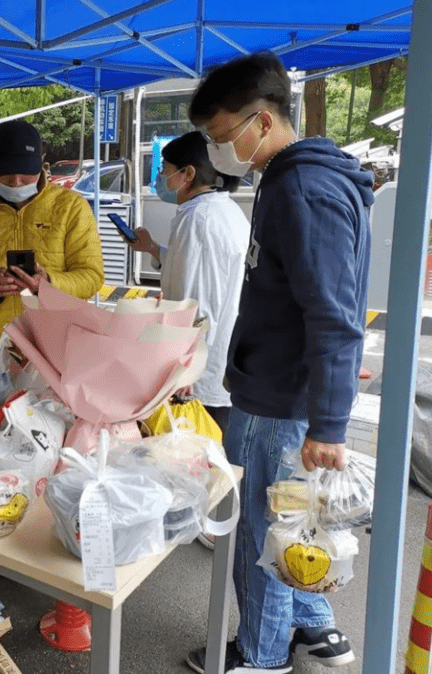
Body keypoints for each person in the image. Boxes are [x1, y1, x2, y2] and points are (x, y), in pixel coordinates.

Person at [184, 52, 373, 674]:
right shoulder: (302, 176)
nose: (218, 151)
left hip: (278, 399)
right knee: (297, 523)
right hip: (284, 388)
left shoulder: (302, 188)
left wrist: (329, 423)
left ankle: (260, 654)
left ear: (261, 122)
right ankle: (316, 626)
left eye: (220, 136)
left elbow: (334, 314)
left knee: (266, 531)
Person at [0, 119, 104, 372]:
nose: (17, 181)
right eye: (7, 172)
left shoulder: (71, 208)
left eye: (25, 171)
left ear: (41, 162)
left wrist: (49, 285)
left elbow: (92, 277)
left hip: (58, 345)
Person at [129, 131, 250, 433]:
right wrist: (154, 250)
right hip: (210, 364)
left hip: (199, 380)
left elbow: (201, 302)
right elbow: (194, 269)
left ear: (188, 174)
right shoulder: (217, 211)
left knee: (194, 461)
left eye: (164, 169)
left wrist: (186, 370)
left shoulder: (201, 220)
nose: (160, 177)